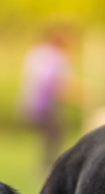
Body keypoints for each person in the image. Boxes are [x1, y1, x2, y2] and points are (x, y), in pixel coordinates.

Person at [20, 26, 71, 168]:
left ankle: (47, 164)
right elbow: (52, 84)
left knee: (54, 134)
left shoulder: (38, 53)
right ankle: (47, 166)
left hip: (32, 102)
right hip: (43, 104)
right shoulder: (55, 57)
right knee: (56, 134)